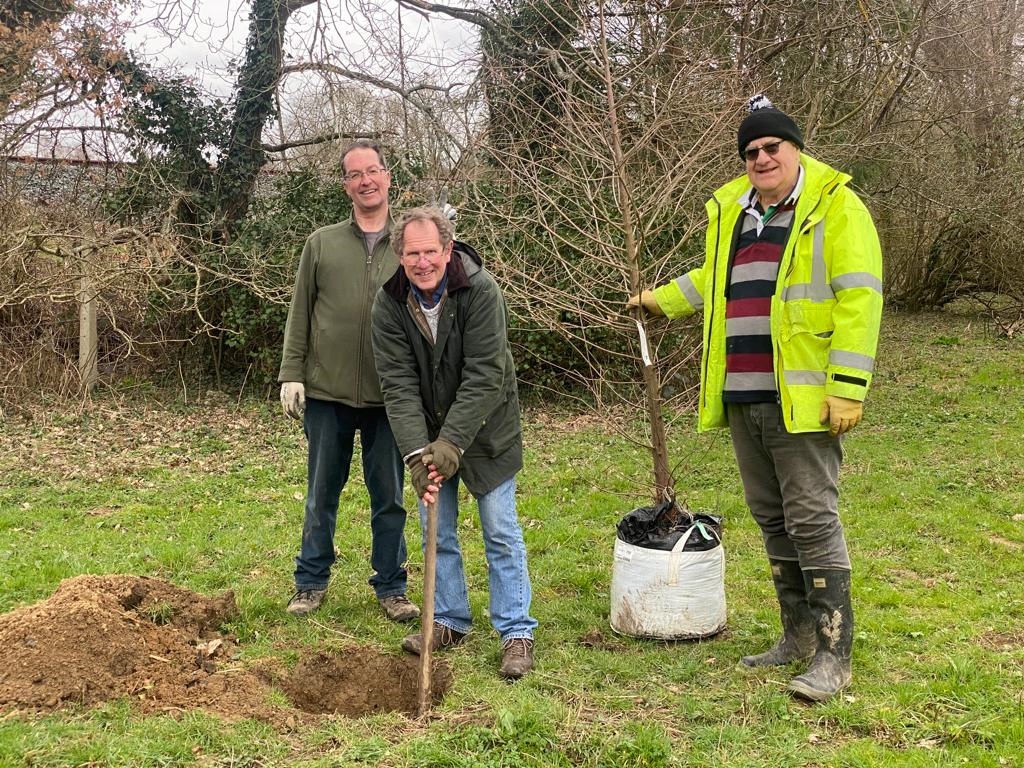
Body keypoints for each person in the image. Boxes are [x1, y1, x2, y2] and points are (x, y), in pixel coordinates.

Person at [629, 95, 883, 701]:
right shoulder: (737, 214)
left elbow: (861, 297)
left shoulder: (834, 209)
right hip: (743, 391)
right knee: (772, 519)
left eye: (772, 147)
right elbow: (715, 279)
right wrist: (661, 299)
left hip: (802, 399)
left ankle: (832, 654)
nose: (762, 158)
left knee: (812, 519)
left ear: (795, 149)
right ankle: (795, 637)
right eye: (751, 151)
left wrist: (847, 387)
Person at [370, 206, 538, 680]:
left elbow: (486, 375)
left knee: (500, 531)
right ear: (399, 257)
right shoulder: (389, 304)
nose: (422, 262)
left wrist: (452, 444)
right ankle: (447, 620)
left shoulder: (481, 292)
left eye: (430, 252)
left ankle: (516, 631)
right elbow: (397, 385)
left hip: (486, 432)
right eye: (411, 254)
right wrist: (418, 453)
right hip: (424, 434)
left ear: (447, 251)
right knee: (435, 530)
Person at [277, 140, 419, 623]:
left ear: (387, 176)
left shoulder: (410, 247)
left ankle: (392, 587)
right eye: (355, 174)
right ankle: (310, 582)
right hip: (326, 393)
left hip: (391, 396)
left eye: (373, 170)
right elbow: (300, 312)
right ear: (346, 185)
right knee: (321, 493)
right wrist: (292, 373)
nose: (366, 180)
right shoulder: (321, 243)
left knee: (390, 497)